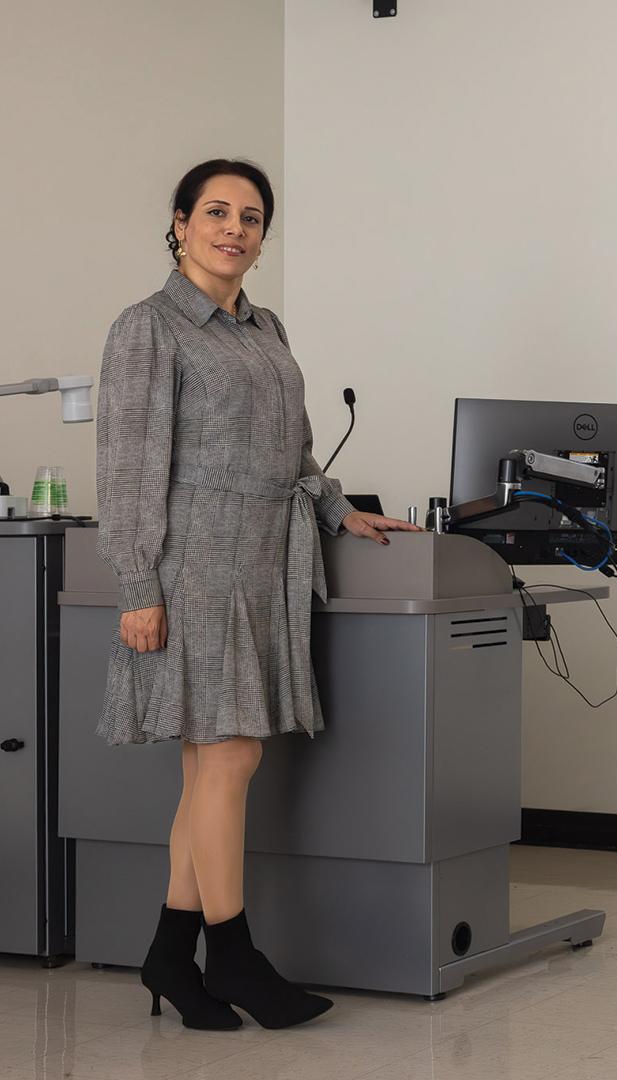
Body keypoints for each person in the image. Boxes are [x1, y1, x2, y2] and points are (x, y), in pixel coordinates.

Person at [95, 159, 419, 1030]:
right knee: (231, 756)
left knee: (212, 763)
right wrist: (138, 583)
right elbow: (128, 468)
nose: (234, 228)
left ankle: (171, 951)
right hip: (193, 559)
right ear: (179, 221)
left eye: (250, 216)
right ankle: (232, 951)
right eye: (216, 212)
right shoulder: (148, 328)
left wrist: (339, 509)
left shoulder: (264, 326)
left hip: (266, 560)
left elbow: (295, 449)